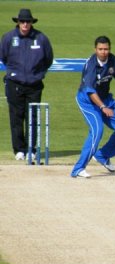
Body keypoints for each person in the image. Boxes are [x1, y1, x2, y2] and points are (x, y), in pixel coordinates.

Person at [71, 36, 115, 178]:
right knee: (97, 130)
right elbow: (90, 91)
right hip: (87, 101)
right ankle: (78, 169)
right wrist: (103, 107)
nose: (104, 52)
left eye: (106, 49)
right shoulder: (91, 65)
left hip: (105, 99)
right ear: (95, 49)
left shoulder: (113, 60)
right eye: (100, 49)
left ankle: (103, 155)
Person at [0, 9, 53, 161]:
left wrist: (38, 74)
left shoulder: (41, 38)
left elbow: (48, 59)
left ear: (31, 22)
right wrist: (14, 72)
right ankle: (19, 150)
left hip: (34, 84)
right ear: (18, 22)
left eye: (27, 21)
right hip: (14, 83)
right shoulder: (9, 38)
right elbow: (3, 57)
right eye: (22, 21)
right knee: (16, 117)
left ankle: (32, 149)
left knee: (33, 117)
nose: (25, 24)